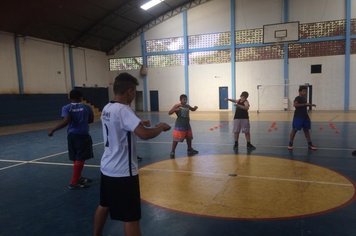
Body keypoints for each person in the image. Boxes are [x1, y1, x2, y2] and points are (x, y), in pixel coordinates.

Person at [93, 73, 170, 236]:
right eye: (134, 91)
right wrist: (160, 127)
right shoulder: (124, 110)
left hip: (107, 168)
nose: (134, 95)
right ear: (129, 91)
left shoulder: (108, 107)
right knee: (131, 217)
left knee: (104, 205)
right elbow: (144, 134)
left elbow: (120, 125)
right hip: (123, 172)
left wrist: (139, 122)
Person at [48, 89, 94, 189]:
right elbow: (91, 120)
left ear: (69, 97)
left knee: (76, 156)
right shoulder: (86, 107)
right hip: (83, 135)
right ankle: (74, 182)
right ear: (81, 97)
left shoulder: (66, 108)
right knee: (80, 158)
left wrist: (53, 129)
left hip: (72, 135)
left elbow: (66, 121)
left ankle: (78, 177)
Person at [168, 94, 198, 158]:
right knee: (176, 139)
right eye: (184, 99)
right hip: (179, 125)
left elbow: (192, 109)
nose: (185, 101)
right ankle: (172, 151)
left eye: (186, 99)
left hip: (187, 125)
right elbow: (169, 112)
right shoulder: (177, 106)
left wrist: (195, 108)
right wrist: (175, 110)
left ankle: (189, 149)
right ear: (180, 100)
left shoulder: (187, 106)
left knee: (189, 138)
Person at [288, 86, 317, 150]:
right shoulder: (297, 98)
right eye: (304, 91)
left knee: (306, 130)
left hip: (305, 116)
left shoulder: (304, 98)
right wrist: (305, 104)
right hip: (298, 117)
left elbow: (305, 104)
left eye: (306, 91)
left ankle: (310, 144)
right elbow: (295, 105)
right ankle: (290, 144)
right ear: (300, 92)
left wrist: (310, 105)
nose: (305, 92)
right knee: (294, 130)